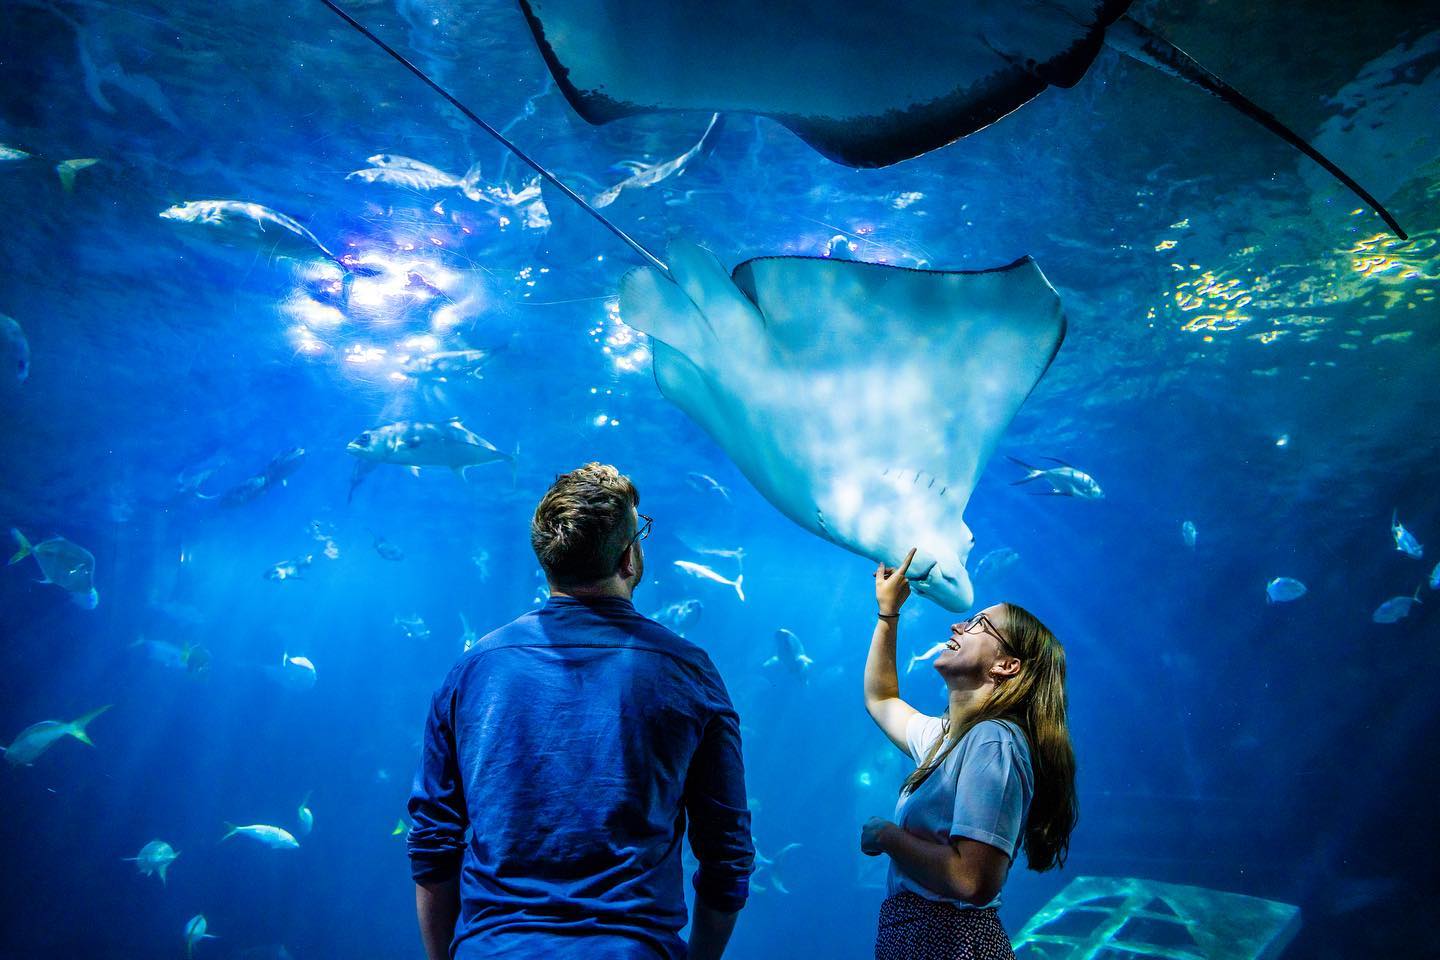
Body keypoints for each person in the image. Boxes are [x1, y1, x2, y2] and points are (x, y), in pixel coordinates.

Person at [408, 463, 754, 960]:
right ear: (629, 557)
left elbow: (433, 842)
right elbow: (727, 854)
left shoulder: (474, 670)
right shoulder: (688, 672)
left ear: (547, 561)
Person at [860, 548, 1078, 960]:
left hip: (953, 942)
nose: (957, 624)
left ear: (1006, 666)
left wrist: (888, 837)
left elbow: (972, 880)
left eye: (979, 624)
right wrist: (888, 614)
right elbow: (881, 699)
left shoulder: (993, 741)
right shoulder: (950, 739)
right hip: (926, 938)